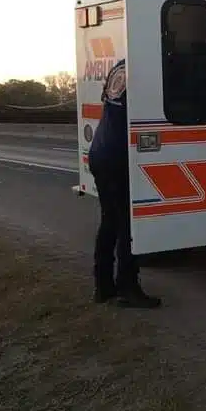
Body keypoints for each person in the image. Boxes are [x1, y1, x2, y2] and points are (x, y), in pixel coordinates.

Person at [87, 60, 162, 308]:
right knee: (129, 225)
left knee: (110, 221)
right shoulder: (145, 60)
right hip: (118, 155)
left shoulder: (121, 65)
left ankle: (104, 286)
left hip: (101, 149)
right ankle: (128, 287)